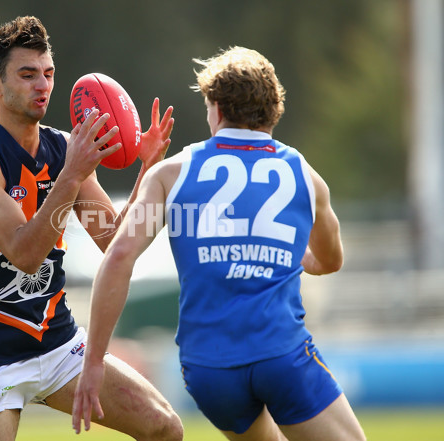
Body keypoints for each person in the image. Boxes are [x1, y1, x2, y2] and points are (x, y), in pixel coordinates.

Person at [72, 46, 367, 441]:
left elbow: (119, 256)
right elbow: (331, 260)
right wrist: (295, 255)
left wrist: (94, 362)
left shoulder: (170, 173)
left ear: (216, 109)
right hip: (281, 355)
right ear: (274, 110)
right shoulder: (305, 175)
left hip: (208, 370)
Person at [0, 15, 183, 441]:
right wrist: (70, 176)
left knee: (165, 428)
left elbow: (116, 241)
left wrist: (149, 169)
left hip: (57, 342)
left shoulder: (65, 150)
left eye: (48, 73)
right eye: (27, 74)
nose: (42, 85)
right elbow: (25, 254)